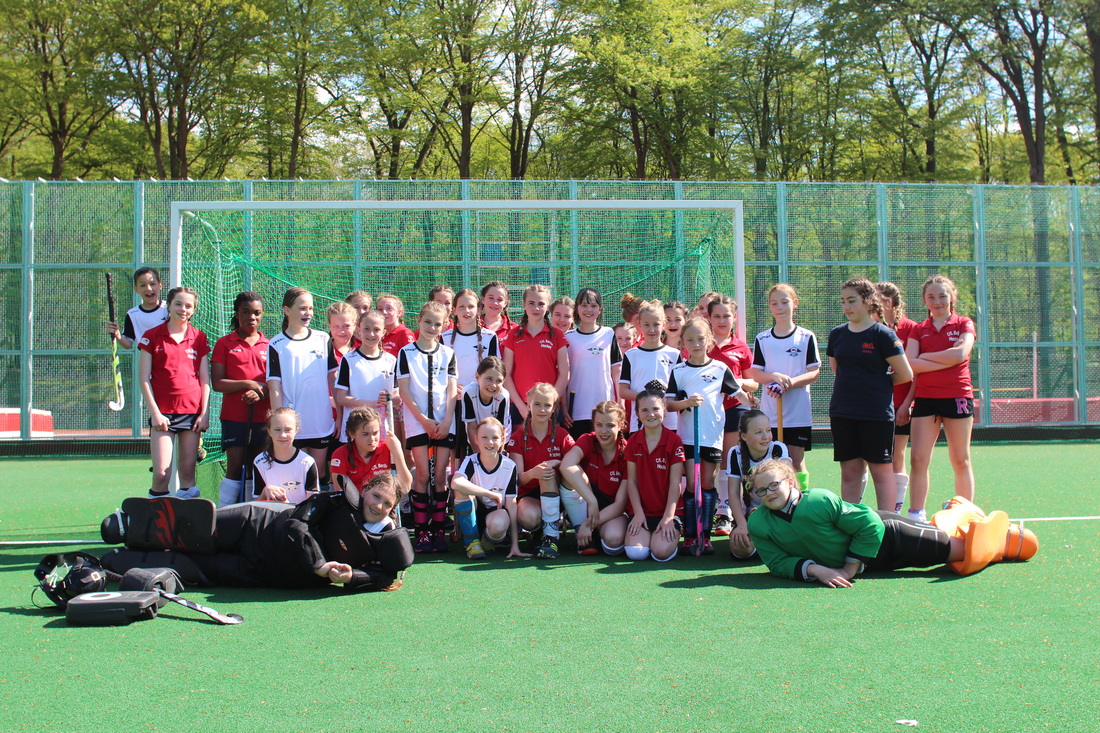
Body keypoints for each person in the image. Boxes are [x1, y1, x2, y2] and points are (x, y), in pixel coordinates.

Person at [101, 473, 412, 592]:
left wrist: (351, 577)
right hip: (258, 525)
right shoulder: (336, 501)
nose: (378, 506)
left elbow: (387, 577)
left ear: (393, 509)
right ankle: (131, 526)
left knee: (195, 568)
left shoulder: (386, 539)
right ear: (365, 490)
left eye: (387, 503)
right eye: (376, 496)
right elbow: (297, 525)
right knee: (197, 530)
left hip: (265, 573)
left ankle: (124, 562)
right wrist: (319, 565)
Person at [745, 459, 1037, 585]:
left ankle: (1002, 541)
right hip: (872, 563)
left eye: (774, 485)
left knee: (964, 554)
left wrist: (848, 569)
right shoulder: (758, 523)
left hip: (889, 536)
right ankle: (956, 514)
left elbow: (870, 524)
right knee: (953, 551)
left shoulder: (819, 500)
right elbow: (777, 563)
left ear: (791, 481)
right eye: (761, 490)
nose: (768, 493)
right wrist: (817, 570)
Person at [666, 317, 751, 555]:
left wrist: (751, 402)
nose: (696, 344)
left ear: (709, 340)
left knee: (707, 483)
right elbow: (669, 405)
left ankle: (705, 535)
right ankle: (690, 535)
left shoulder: (719, 369)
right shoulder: (679, 371)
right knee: (692, 485)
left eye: (700, 339)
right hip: (688, 437)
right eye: (690, 340)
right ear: (683, 343)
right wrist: (686, 403)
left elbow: (739, 394)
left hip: (712, 437)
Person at [826, 277, 913, 508]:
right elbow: (838, 371)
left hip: (876, 415)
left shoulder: (883, 335)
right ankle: (852, 521)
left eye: (852, 300)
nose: (846, 306)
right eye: (843, 301)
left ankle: (887, 524)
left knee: (881, 472)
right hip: (843, 413)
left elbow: (905, 374)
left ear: (868, 301)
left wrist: (878, 383)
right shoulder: (837, 335)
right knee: (850, 473)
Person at [905, 274, 977, 522]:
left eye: (942, 296)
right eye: (931, 297)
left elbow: (961, 354)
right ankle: (916, 514)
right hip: (926, 398)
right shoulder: (918, 329)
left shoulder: (964, 323)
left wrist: (926, 358)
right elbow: (910, 364)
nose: (937, 302)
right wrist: (947, 357)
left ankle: (966, 512)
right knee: (918, 459)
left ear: (952, 297)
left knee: (960, 459)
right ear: (924, 300)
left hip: (957, 395)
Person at [138, 285, 210, 499]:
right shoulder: (152, 336)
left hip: (191, 413)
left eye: (188, 306)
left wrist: (204, 413)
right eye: (178, 304)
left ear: (194, 310)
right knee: (161, 473)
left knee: (187, 473)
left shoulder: (199, 337)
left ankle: (184, 517)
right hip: (163, 415)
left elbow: (205, 379)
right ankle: (157, 516)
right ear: (169, 305)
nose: (183, 309)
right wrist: (155, 413)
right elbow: (144, 378)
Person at [397, 301, 458, 553]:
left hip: (444, 423)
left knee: (440, 476)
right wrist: (423, 420)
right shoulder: (406, 353)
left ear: (444, 326)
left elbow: (452, 390)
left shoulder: (448, 353)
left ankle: (439, 531)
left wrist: (447, 420)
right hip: (417, 422)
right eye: (428, 322)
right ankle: (422, 532)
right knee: (422, 475)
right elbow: (404, 391)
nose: (432, 327)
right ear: (419, 321)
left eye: (437, 324)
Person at [747, 283, 820, 489]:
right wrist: (774, 377)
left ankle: (801, 499)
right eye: (774, 303)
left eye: (784, 302)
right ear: (769, 307)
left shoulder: (806, 337)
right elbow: (756, 373)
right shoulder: (763, 338)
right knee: (771, 462)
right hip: (770, 413)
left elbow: (814, 372)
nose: (779, 307)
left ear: (794, 303)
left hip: (797, 412)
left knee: (796, 461)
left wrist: (790, 383)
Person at [267, 287, 337, 489]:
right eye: (302, 308)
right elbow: (274, 387)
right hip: (292, 425)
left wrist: (339, 415)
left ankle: (317, 509)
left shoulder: (323, 339)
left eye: (311, 308)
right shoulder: (276, 344)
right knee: (296, 473)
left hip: (321, 422)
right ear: (286, 310)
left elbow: (332, 379)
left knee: (319, 471)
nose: (308, 313)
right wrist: (279, 422)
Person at [706, 294, 759, 536]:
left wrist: (733, 381)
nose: (721, 320)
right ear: (709, 318)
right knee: (710, 463)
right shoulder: (702, 343)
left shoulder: (741, 347)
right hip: (709, 410)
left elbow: (753, 383)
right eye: (716, 316)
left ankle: (725, 512)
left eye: (726, 316)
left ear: (734, 317)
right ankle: (709, 509)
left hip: (735, 409)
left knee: (729, 461)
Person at [212, 291, 270, 506]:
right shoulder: (224, 343)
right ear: (237, 314)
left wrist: (260, 391)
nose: (251, 317)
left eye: (256, 313)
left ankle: (251, 514)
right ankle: (225, 513)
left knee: (258, 468)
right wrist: (248, 384)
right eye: (246, 312)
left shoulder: (270, 345)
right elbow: (218, 383)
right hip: (234, 418)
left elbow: (276, 384)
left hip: (264, 418)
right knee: (235, 467)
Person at [507, 383, 577, 559]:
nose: (542, 409)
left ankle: (551, 538)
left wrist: (557, 462)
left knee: (548, 472)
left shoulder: (562, 434)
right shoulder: (517, 437)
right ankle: (540, 531)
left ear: (554, 409)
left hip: (559, 492)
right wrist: (533, 473)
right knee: (528, 517)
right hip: (530, 494)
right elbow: (518, 479)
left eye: (547, 405)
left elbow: (576, 464)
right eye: (537, 404)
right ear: (528, 404)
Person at [560, 401, 630, 556]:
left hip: (611, 510)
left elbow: (620, 505)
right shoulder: (587, 440)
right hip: (586, 503)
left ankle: (590, 532)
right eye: (599, 425)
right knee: (570, 473)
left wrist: (589, 524)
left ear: (621, 426)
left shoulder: (627, 451)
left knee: (614, 540)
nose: (603, 431)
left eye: (610, 425)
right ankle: (580, 530)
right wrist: (592, 501)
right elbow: (566, 465)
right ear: (594, 424)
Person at [623, 389, 684, 562]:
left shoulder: (674, 441)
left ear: (664, 410)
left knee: (661, 553)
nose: (651, 414)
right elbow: (632, 482)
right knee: (636, 553)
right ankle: (647, 537)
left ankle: (663, 539)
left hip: (669, 512)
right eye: (645, 410)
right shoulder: (633, 441)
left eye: (656, 409)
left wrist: (668, 516)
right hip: (642, 511)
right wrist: (638, 513)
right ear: (637, 414)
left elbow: (675, 483)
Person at [724, 409, 791, 559]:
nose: (766, 437)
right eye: (759, 432)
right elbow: (733, 493)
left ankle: (769, 543)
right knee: (740, 549)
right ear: (744, 436)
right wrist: (742, 524)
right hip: (753, 516)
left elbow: (788, 483)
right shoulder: (735, 453)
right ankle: (764, 544)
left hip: (778, 513)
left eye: (768, 430)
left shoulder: (778, 449)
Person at [451, 418, 521, 559]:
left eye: (495, 438)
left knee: (500, 522)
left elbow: (512, 506)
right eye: (484, 437)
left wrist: (515, 545)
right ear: (476, 439)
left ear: (502, 440)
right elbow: (456, 483)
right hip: (475, 512)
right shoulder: (471, 461)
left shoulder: (509, 466)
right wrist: (488, 493)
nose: (490, 442)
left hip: (495, 514)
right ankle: (472, 543)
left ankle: (487, 539)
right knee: (461, 490)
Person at [876, 281, 919, 511]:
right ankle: (879, 508)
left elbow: (915, 373)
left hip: (900, 404)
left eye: (878, 300)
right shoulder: (871, 328)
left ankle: (896, 510)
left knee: (896, 455)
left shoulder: (911, 328)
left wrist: (907, 404)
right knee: (875, 458)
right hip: (875, 405)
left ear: (890, 302)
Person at [448, 288, 501, 463]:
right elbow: (440, 372)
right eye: (461, 307)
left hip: (481, 400)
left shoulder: (489, 337)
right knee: (457, 452)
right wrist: (452, 388)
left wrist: (479, 389)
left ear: (479, 309)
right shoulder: (444, 338)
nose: (466, 311)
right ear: (454, 310)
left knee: (481, 445)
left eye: (471, 306)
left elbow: (495, 370)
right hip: (454, 401)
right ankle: (458, 478)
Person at [503, 283, 569, 423]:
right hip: (520, 407)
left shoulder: (557, 335)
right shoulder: (513, 334)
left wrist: (550, 403)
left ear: (548, 306)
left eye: (541, 303)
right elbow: (506, 374)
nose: (536, 308)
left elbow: (564, 374)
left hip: (549, 407)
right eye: (531, 303)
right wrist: (521, 407)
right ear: (524, 305)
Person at [564, 288, 622, 438]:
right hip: (577, 411)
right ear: (577, 308)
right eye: (584, 305)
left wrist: (620, 404)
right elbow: (563, 376)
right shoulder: (568, 337)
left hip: (605, 409)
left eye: (593, 306)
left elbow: (616, 373)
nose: (588, 310)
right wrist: (564, 406)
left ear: (600, 309)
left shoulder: (609, 334)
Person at [333, 309, 398, 443]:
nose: (371, 334)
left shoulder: (391, 360)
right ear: (358, 330)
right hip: (354, 434)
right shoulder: (349, 360)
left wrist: (389, 399)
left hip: (381, 434)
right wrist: (370, 404)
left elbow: (397, 398)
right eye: (366, 329)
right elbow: (340, 398)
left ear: (383, 332)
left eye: (376, 329)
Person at [618, 299, 682, 433]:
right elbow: (623, 391)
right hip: (639, 423)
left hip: (670, 423)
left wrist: (664, 397)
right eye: (646, 325)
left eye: (656, 324)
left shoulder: (674, 354)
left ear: (664, 324)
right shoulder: (631, 355)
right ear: (639, 325)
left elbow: (681, 389)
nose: (651, 329)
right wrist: (647, 397)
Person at [330, 407, 411, 492]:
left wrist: (398, 451)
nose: (372, 439)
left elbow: (405, 488)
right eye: (365, 434)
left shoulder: (388, 448)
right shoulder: (340, 454)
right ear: (352, 434)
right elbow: (340, 492)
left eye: (375, 433)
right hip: (353, 500)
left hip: (382, 499)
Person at [252, 407, 320, 504]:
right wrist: (265, 491)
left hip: (299, 513)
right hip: (271, 513)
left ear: (296, 431)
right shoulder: (260, 461)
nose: (283, 435)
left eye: (288, 430)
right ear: (269, 431)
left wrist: (288, 507)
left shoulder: (307, 462)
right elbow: (256, 506)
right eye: (277, 430)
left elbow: (313, 504)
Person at [107, 266, 167, 349]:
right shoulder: (133, 314)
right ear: (136, 289)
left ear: (160, 285)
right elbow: (128, 344)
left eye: (152, 284)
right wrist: (117, 334)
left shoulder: (169, 308)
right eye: (143, 285)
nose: (148, 289)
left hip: (171, 356)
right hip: (146, 356)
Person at [462, 356, 511, 449]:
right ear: (477, 377)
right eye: (489, 379)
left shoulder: (503, 396)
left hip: (498, 441)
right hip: (476, 439)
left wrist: (498, 455)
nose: (493, 385)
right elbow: (471, 427)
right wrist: (477, 454)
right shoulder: (469, 392)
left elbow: (502, 430)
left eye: (498, 381)